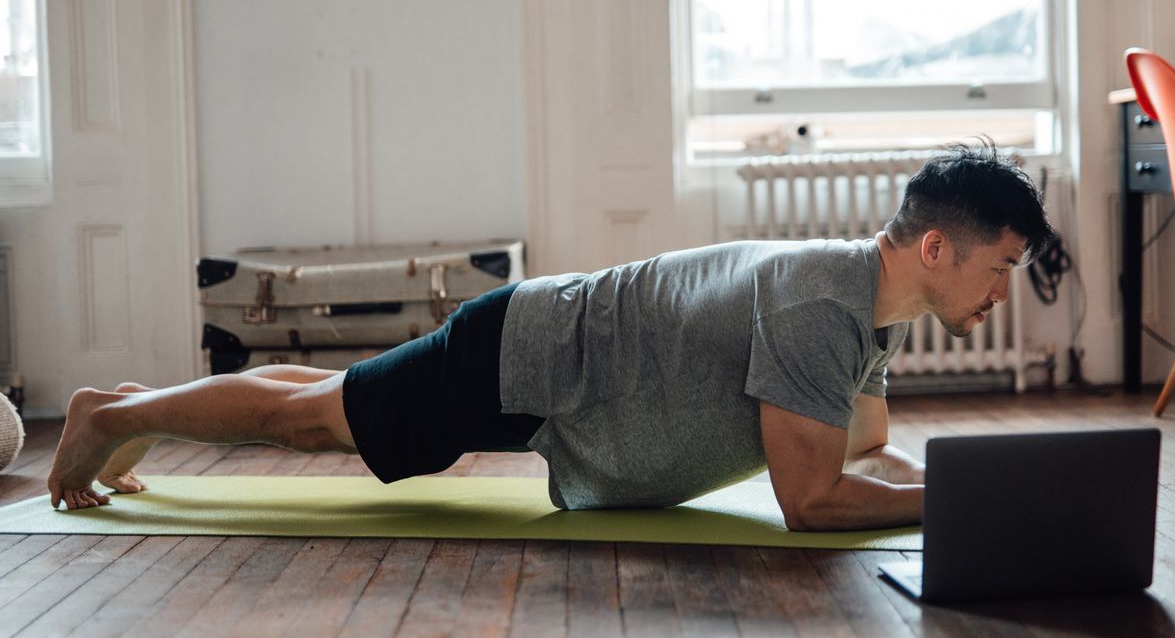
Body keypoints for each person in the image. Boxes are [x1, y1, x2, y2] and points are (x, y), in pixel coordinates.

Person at [47, 140, 1055, 531]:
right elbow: (811, 499)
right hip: (529, 356)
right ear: (934, 246)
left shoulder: (862, 302)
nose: (1001, 292)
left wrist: (940, 485)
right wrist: (983, 498)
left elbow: (862, 449)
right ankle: (110, 414)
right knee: (322, 426)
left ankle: (132, 410)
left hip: (548, 352)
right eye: (1000, 266)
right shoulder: (819, 305)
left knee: (330, 400)